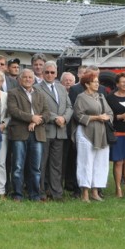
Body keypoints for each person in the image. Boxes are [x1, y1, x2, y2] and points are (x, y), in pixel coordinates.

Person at [7, 68, 50, 201]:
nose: (27, 79)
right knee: (18, 166)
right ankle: (18, 194)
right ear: (20, 79)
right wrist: (32, 118)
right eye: (25, 77)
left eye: (30, 77)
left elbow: (47, 113)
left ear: (34, 79)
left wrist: (36, 122)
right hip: (20, 133)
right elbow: (14, 111)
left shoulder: (40, 94)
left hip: (37, 133)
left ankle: (34, 195)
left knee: (36, 167)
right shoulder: (13, 93)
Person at [72, 71, 113, 202]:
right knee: (86, 162)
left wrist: (107, 117)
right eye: (95, 82)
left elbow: (109, 112)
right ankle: (85, 193)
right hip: (86, 133)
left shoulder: (100, 96)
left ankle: (95, 191)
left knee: (100, 162)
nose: (97, 84)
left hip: (101, 133)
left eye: (97, 82)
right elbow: (78, 115)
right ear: (87, 84)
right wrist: (97, 117)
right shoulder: (81, 97)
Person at [37, 61, 72, 201]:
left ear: (56, 73)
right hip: (45, 130)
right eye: (47, 72)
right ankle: (41, 192)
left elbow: (70, 106)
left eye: (52, 72)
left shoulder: (61, 88)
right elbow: (39, 108)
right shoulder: (36, 88)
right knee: (42, 164)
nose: (50, 75)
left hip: (60, 131)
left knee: (56, 165)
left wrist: (64, 118)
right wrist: (55, 118)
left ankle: (56, 192)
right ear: (43, 73)